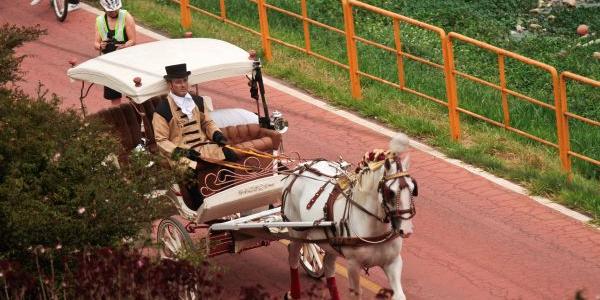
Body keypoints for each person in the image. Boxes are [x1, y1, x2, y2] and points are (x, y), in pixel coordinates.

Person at [152, 63, 238, 210]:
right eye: (178, 82)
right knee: (187, 170)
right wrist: (182, 152)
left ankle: (227, 193)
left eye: (185, 80)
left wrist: (217, 135)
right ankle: (199, 208)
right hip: (180, 151)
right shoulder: (162, 110)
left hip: (203, 146)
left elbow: (207, 123)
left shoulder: (197, 101)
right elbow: (161, 140)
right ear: (170, 84)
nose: (183, 85)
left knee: (231, 155)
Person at [94, 0, 137, 102]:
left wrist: (125, 45)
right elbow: (95, 44)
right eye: (110, 11)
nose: (114, 12)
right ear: (103, 8)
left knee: (133, 94)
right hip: (110, 62)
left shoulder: (126, 16)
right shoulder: (99, 21)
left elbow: (133, 40)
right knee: (114, 97)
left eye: (116, 10)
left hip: (126, 60)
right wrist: (100, 45)